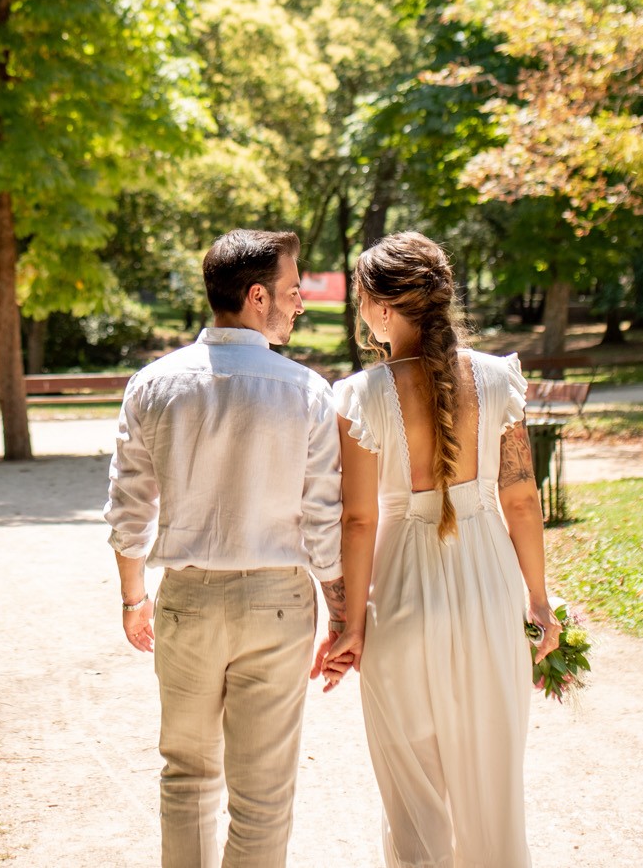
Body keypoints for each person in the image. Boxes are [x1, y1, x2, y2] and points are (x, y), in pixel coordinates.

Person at [315, 231, 559, 868]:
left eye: (361, 299)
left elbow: (358, 521)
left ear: (382, 307)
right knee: (493, 787)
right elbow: (521, 499)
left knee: (413, 798)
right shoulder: (499, 380)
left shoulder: (360, 396)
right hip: (490, 589)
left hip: (403, 593)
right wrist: (538, 601)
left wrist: (351, 624)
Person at [104, 229, 346, 868]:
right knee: (263, 798)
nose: (301, 304)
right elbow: (323, 520)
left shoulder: (152, 385)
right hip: (277, 603)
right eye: (293, 291)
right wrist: (342, 612)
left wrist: (133, 598)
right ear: (257, 296)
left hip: (187, 600)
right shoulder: (306, 391)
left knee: (186, 777)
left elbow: (129, 508)